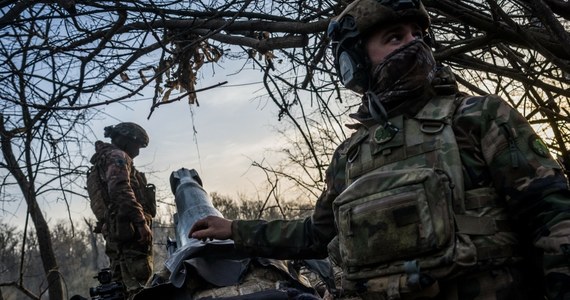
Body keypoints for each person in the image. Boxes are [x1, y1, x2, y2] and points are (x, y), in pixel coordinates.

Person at [189, 0, 570, 299]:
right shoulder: (350, 155)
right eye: (394, 36)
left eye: (417, 34)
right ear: (355, 61)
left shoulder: (480, 116)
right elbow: (315, 236)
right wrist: (235, 229)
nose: (413, 43)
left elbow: (552, 217)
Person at [87, 122, 156, 297]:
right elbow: (120, 189)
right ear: (126, 140)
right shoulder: (117, 156)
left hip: (116, 235)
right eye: (137, 145)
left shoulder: (100, 163)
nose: (138, 152)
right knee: (137, 287)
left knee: (120, 288)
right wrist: (140, 222)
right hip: (129, 233)